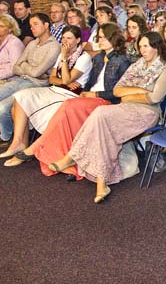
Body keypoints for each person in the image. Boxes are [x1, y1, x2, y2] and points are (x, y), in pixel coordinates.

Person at [46, 31, 166, 202]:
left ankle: (72, 157)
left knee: (101, 115)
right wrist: (140, 91)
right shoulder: (137, 66)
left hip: (147, 113)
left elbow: (154, 98)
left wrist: (130, 94)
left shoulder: (163, 70)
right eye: (140, 46)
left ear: (156, 48)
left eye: (146, 46)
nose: (142, 50)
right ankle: (101, 184)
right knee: (102, 124)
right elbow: (117, 91)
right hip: (126, 107)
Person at [21, 23, 131, 178]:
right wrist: (83, 89)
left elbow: (119, 93)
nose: (100, 40)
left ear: (114, 38)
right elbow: (91, 82)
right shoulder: (99, 57)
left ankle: (38, 147)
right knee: (67, 113)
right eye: (99, 37)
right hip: (90, 97)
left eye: (105, 37)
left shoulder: (122, 60)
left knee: (68, 107)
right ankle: (69, 158)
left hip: (106, 101)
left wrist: (95, 95)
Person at [0, 25, 93, 163]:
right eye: (63, 37)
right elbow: (52, 79)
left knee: (27, 104)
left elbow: (66, 78)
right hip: (55, 89)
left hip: (69, 95)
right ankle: (18, 142)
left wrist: (65, 60)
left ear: (78, 40)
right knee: (21, 96)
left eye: (69, 38)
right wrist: (64, 80)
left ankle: (28, 146)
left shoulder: (83, 58)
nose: (65, 41)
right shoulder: (62, 54)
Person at [0, 12, 61, 148]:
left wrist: (26, 67)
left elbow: (35, 72)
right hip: (20, 79)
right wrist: (29, 68)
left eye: (35, 24)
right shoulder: (32, 43)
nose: (32, 28)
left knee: (1, 107)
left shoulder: (54, 46)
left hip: (36, 85)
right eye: (30, 25)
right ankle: (14, 128)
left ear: (46, 25)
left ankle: (5, 136)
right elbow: (17, 67)